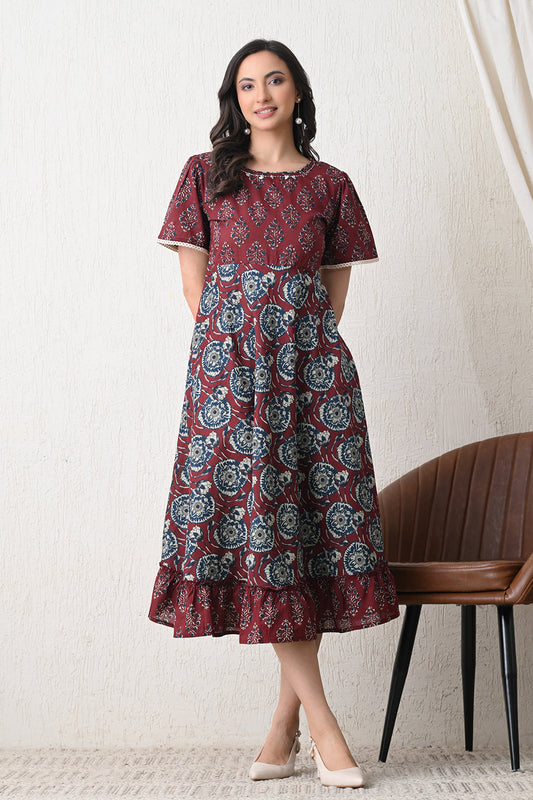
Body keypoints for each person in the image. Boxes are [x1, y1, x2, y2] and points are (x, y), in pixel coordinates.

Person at [148, 38, 399, 789]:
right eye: (246, 85)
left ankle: (282, 726)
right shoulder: (204, 175)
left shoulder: (330, 185)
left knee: (305, 539)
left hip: (314, 380)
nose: (260, 95)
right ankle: (323, 727)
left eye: (274, 80)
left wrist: (299, 351)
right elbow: (195, 290)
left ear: (296, 93)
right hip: (229, 380)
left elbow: (333, 291)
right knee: (262, 535)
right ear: (235, 99)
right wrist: (239, 356)